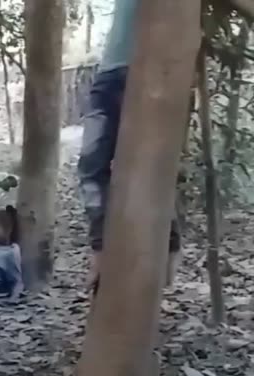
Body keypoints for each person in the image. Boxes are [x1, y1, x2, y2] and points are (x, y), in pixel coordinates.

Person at [78, 0, 180, 292]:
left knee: (150, 169)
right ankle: (100, 248)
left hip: (147, 70)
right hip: (109, 74)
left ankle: (169, 243)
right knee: (90, 166)